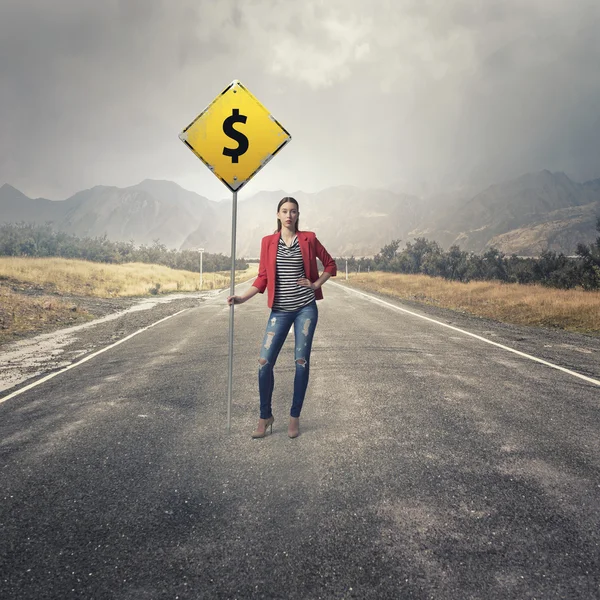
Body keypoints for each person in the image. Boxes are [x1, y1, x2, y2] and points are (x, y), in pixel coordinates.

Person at [227, 197, 337, 439]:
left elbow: (330, 264)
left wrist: (315, 283)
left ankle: (294, 416)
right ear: (277, 214)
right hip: (279, 311)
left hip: (305, 309)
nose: (289, 215)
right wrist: (243, 298)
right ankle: (265, 416)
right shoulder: (268, 242)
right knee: (264, 363)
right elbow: (263, 277)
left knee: (301, 361)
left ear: (298, 215)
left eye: (294, 211)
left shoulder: (308, 239)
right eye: (285, 211)